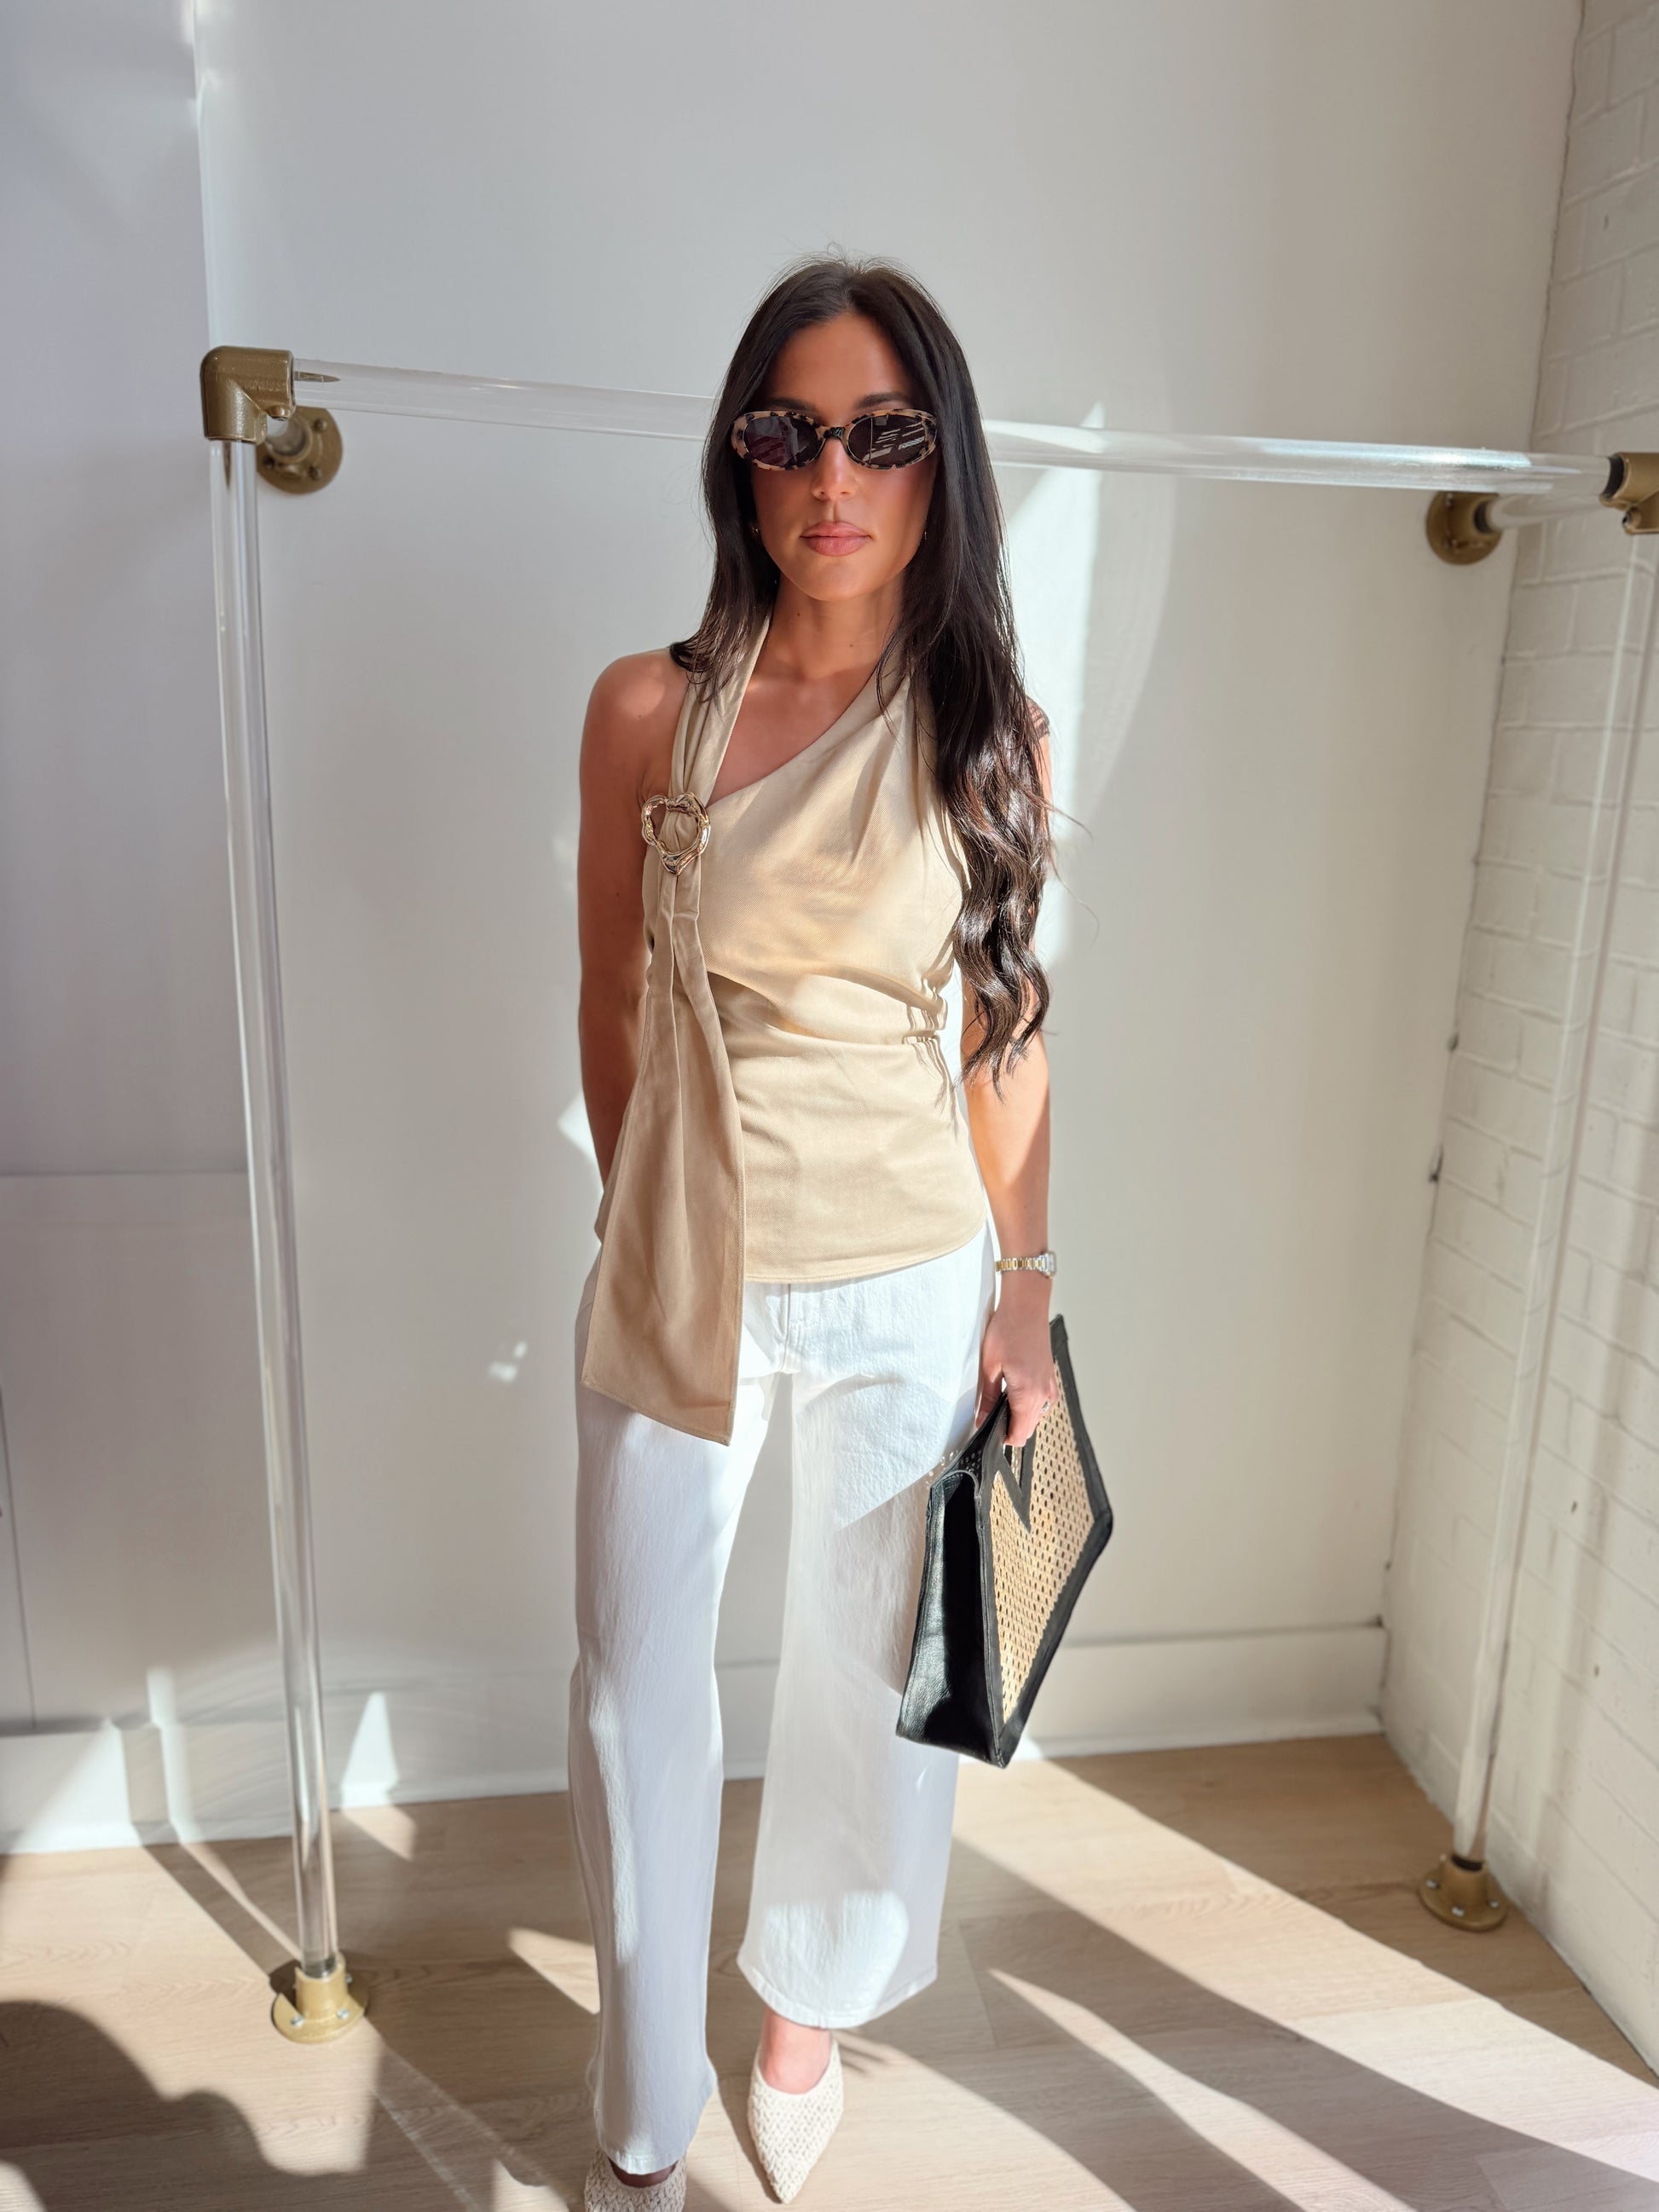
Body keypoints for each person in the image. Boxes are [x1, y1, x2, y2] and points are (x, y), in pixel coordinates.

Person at [569, 253, 1059, 2211]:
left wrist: (1024, 1301)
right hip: (681, 1268)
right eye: (789, 431)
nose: (830, 475)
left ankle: (801, 2021)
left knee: (867, 1692)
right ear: (739, 459)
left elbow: (1006, 1028)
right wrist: (643, 1215)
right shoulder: (647, 710)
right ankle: (641, 2100)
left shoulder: (986, 721)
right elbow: (610, 1000)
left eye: (880, 432)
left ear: (940, 463)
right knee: (633, 1691)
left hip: (907, 1275)